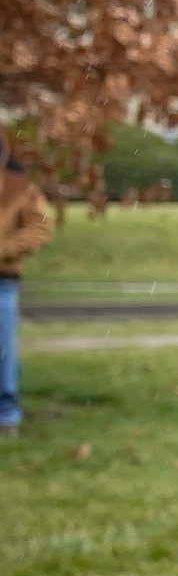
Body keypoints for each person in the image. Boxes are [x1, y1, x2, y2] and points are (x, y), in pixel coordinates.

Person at [0, 155, 55, 439]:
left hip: (2, 281)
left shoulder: (19, 186)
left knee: (3, 353)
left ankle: (6, 417)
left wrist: (3, 250)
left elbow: (40, 227)